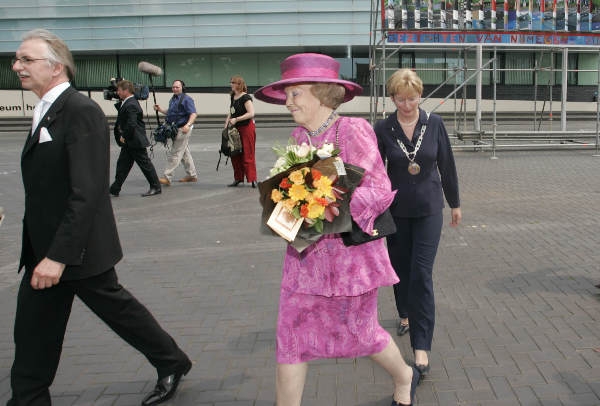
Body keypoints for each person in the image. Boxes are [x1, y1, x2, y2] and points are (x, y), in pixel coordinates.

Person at [10, 29, 191, 406]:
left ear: (56, 66)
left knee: (120, 314)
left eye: (26, 59)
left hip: (76, 251)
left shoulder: (80, 111)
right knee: (31, 334)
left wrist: (58, 257)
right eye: (17, 59)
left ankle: (171, 361)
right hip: (45, 248)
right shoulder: (44, 108)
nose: (17, 66)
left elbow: (88, 190)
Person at [254, 53, 421, 406]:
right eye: (287, 95)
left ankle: (404, 375)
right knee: (290, 339)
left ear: (321, 93)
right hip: (305, 263)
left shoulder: (353, 130)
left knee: (363, 335)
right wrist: (285, 205)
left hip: (350, 264)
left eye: (295, 93)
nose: (288, 102)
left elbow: (379, 193)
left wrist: (321, 197)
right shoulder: (299, 136)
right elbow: (296, 200)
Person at [374, 68, 462, 378]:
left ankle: (421, 346)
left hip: (428, 210)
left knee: (422, 274)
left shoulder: (434, 124)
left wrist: (455, 203)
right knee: (401, 272)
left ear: (420, 96)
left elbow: (446, 165)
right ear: (393, 98)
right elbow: (373, 168)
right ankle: (405, 314)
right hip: (395, 213)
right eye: (401, 99)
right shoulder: (383, 128)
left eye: (412, 99)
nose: (407, 105)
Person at [110, 79, 161, 197]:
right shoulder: (129, 102)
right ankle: (115, 188)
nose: (117, 93)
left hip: (134, 140)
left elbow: (131, 124)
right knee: (122, 165)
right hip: (131, 141)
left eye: (119, 90)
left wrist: (124, 136)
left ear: (126, 91)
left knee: (145, 165)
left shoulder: (131, 103)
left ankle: (156, 186)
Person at [153, 80, 198, 186]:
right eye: (173, 87)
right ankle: (192, 175)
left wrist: (187, 125)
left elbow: (193, 114)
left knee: (175, 153)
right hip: (174, 129)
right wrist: (160, 110)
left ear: (182, 87)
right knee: (184, 153)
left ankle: (167, 176)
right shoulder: (173, 99)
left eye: (177, 87)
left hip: (183, 129)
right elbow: (171, 112)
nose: (175, 89)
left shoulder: (187, 99)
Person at [224, 75, 257, 187]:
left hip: (246, 128)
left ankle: (252, 179)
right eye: (231, 82)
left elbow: (251, 113)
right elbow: (231, 111)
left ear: (239, 84)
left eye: (233, 82)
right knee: (235, 153)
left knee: (248, 153)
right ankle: (238, 178)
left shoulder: (246, 97)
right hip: (234, 128)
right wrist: (226, 123)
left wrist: (236, 119)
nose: (231, 84)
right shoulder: (233, 96)